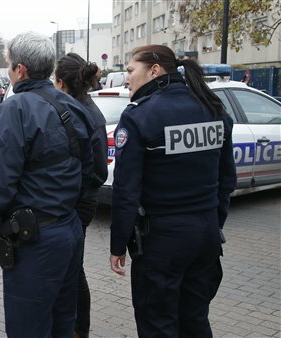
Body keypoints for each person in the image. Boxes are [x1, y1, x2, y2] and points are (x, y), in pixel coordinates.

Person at [0, 31, 94, 338]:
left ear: (20, 69)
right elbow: (92, 172)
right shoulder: (73, 106)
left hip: (34, 240)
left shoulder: (14, 110)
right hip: (68, 230)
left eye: (9, 63)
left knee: (29, 326)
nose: (10, 69)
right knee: (63, 321)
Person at [109, 45, 237, 337]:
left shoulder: (140, 116)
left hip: (162, 242)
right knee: (195, 319)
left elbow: (126, 192)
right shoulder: (212, 108)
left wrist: (118, 245)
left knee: (158, 324)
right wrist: (213, 222)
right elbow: (227, 180)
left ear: (154, 71)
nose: (126, 79)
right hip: (205, 236)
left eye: (130, 71)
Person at [54, 52, 108, 338]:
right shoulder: (75, 108)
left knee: (74, 270)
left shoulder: (86, 114)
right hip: (73, 201)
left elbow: (99, 171)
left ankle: (78, 330)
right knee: (69, 268)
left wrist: (70, 191)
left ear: (62, 83)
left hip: (79, 203)